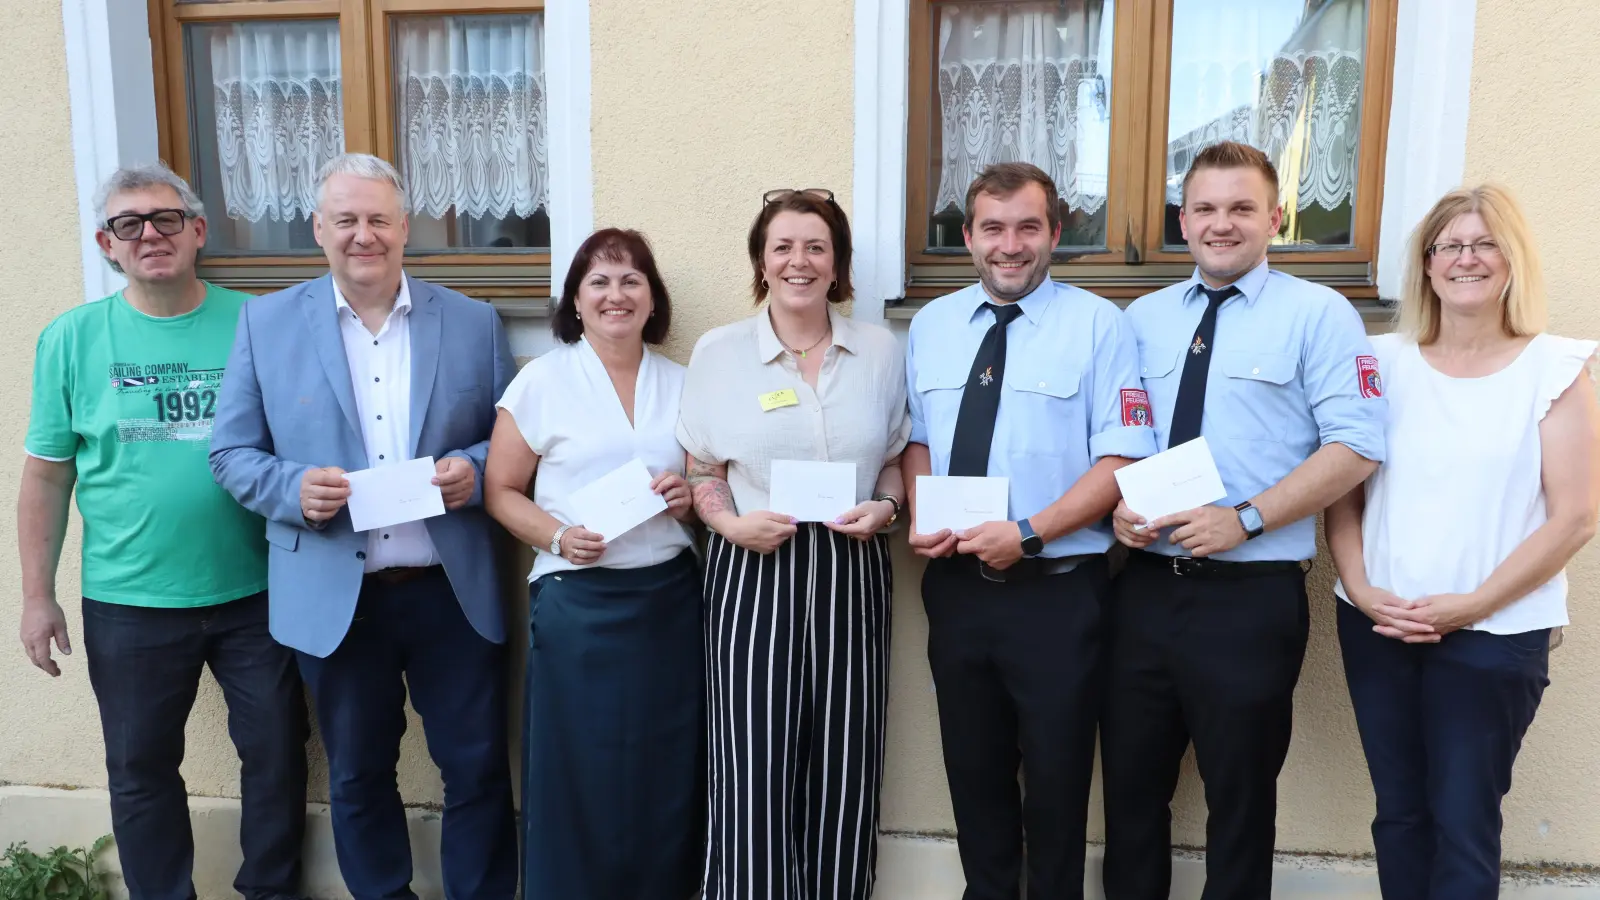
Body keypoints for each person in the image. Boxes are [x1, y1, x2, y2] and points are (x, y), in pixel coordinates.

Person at [209, 153, 517, 900]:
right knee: (356, 771)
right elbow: (230, 452)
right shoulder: (267, 322)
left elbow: (514, 437)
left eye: (378, 219)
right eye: (345, 220)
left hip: (451, 589)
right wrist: (292, 488)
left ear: (405, 227)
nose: (363, 235)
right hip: (336, 593)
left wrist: (473, 471)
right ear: (319, 229)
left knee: (476, 765)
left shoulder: (474, 322)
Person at [1104, 140, 1387, 900]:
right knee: (1130, 800)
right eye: (1204, 208)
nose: (1220, 224)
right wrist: (1120, 514)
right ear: (1182, 219)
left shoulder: (1319, 315)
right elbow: (1117, 438)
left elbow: (1358, 446)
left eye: (1240, 208)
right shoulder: (1142, 319)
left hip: (1249, 599)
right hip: (1140, 591)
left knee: (1240, 804)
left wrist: (1248, 519)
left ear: (1276, 217)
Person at [18, 164, 308, 900]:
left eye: (166, 218)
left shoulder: (258, 322)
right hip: (129, 600)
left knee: (278, 756)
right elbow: (47, 475)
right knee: (141, 771)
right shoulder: (71, 339)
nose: (149, 234)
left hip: (257, 591)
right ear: (105, 244)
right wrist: (36, 596)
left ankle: (269, 891)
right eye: (128, 224)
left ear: (198, 231)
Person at [1326, 184, 1600, 900]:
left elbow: (1575, 516)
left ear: (1512, 260)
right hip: (1377, 622)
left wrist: (1470, 605)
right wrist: (1359, 588)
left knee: (1463, 818)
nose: (1467, 259)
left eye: (1484, 244)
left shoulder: (1556, 369)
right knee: (1400, 814)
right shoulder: (1378, 364)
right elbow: (1343, 493)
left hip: (1495, 633)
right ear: (1426, 263)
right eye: (1450, 245)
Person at [903, 162, 1157, 900]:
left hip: (1059, 592)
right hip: (956, 590)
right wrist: (925, 509)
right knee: (973, 776)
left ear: (1055, 232)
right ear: (969, 237)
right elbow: (919, 436)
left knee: (1056, 782)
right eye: (993, 228)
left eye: (1026, 227)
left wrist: (1031, 534)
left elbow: (1121, 456)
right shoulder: (933, 325)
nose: (1009, 245)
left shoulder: (1098, 325)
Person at [677, 188, 909, 900]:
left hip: (851, 569)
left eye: (816, 246)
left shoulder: (877, 349)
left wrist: (888, 507)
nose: (798, 261)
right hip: (753, 571)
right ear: (761, 260)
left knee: (844, 759)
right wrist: (727, 524)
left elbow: (895, 456)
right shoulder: (720, 353)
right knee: (752, 760)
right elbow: (700, 468)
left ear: (837, 263)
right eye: (783, 246)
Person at [483, 228, 701, 899]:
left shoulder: (685, 383)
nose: (616, 294)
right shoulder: (542, 382)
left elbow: (703, 494)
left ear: (651, 297)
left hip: (670, 603)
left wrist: (685, 496)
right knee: (581, 768)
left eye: (631, 280)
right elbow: (499, 490)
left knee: (666, 768)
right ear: (575, 299)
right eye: (599, 281)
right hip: (579, 604)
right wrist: (556, 535)